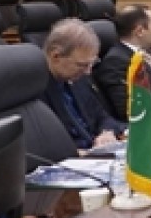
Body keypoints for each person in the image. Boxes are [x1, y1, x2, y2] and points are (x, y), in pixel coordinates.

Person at [41, 18, 126, 152]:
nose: (88, 72)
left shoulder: (78, 79)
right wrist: (75, 153)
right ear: (56, 56)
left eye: (91, 64)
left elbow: (102, 116)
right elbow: (43, 146)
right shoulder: (35, 90)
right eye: (82, 65)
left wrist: (106, 132)